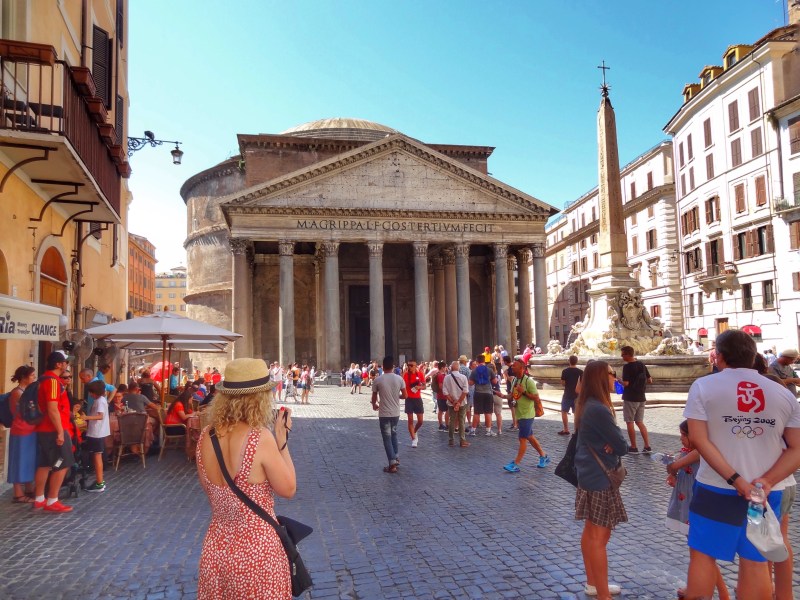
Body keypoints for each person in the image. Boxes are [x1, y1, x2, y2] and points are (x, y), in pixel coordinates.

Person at [682, 329, 800, 600]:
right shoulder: (781, 393)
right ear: (753, 356)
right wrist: (767, 480)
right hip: (766, 493)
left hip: (716, 487)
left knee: (703, 556)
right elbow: (796, 447)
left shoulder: (703, 386)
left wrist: (736, 480)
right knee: (756, 560)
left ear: (719, 357)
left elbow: (699, 439)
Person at [196, 358, 295, 599]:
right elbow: (288, 488)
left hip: (216, 550)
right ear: (259, 398)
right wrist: (282, 441)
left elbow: (213, 493)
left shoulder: (204, 438)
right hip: (257, 553)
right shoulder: (259, 438)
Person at [573, 360, 628, 599]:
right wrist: (615, 444)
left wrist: (612, 443)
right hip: (599, 475)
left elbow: (614, 443)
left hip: (589, 472)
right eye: (611, 374)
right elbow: (622, 445)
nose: (614, 377)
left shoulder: (587, 404)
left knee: (592, 532)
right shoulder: (598, 408)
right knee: (599, 536)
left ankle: (594, 584)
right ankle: (602, 594)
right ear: (599, 379)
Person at [664, 420, 730, 600]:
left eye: (685, 435)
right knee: (697, 550)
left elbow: (694, 456)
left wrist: (675, 466)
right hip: (687, 504)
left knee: (701, 552)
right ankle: (696, 585)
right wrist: (673, 473)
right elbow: (681, 467)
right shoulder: (687, 452)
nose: (681, 438)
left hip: (696, 506)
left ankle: (722, 593)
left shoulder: (701, 451)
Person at [32, 351, 75, 513]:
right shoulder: (53, 382)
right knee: (63, 462)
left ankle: (39, 498)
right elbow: (52, 409)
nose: (66, 365)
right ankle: (52, 499)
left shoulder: (44, 379)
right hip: (53, 429)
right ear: (59, 364)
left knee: (45, 464)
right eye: (65, 363)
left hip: (44, 429)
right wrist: (59, 432)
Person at [503, 358, 549, 472]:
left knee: (522, 439)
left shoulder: (529, 381)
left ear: (521, 368)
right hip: (520, 414)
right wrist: (503, 396)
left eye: (514, 366)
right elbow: (511, 395)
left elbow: (536, 397)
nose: (512, 367)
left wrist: (523, 391)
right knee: (529, 437)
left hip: (527, 415)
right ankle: (544, 456)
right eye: (512, 365)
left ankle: (516, 464)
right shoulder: (514, 380)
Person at [371, 356, 407, 473]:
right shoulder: (399, 379)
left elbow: (374, 398)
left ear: (383, 366)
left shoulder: (378, 380)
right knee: (394, 435)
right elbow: (405, 396)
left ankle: (392, 463)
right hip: (396, 412)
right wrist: (397, 396)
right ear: (393, 366)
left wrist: (374, 405)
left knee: (387, 438)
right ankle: (396, 457)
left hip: (384, 413)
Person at [6, 365, 37, 503]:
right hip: (21, 430)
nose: (34, 378)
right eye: (32, 376)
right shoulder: (17, 393)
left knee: (28, 459)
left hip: (30, 429)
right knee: (19, 459)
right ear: (24, 377)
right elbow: (22, 412)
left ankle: (29, 488)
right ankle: (18, 493)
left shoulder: (27, 391)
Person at [618, 346, 653, 454]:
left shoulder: (627, 367)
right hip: (641, 397)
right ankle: (647, 446)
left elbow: (626, 383)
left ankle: (633, 447)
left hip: (630, 397)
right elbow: (650, 380)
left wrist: (618, 380)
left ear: (628, 354)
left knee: (629, 422)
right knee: (640, 422)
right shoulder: (642, 364)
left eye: (623, 354)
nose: (621, 356)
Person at [82, 380, 110, 493]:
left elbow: (100, 416)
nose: (90, 394)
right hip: (98, 432)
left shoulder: (99, 401)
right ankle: (99, 481)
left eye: (91, 392)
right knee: (96, 456)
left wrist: (86, 418)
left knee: (97, 457)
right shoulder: (101, 400)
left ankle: (99, 482)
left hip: (96, 433)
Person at [442, 361, 470, 448]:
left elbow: (445, 392)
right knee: (461, 421)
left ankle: (451, 440)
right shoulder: (463, 377)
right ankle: (462, 440)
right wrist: (458, 402)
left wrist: (453, 402)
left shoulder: (446, 378)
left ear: (451, 368)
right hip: (462, 402)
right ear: (458, 368)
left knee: (452, 421)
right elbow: (465, 391)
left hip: (451, 403)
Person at [469, 355, 495, 436]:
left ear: (477, 361)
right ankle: (488, 431)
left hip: (478, 393)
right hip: (488, 393)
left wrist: (477, 381)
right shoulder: (489, 370)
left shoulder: (474, 370)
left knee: (476, 412)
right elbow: (494, 382)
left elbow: (470, 383)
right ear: (484, 361)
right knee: (488, 412)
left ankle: (473, 431)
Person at [402, 360, 425, 447]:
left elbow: (424, 385)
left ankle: (414, 431)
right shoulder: (405, 374)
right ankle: (413, 439)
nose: (410, 366)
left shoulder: (420, 374)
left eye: (412, 365)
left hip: (417, 398)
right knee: (410, 420)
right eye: (409, 365)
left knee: (420, 421)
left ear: (416, 366)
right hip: (409, 399)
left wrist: (419, 387)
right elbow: (401, 385)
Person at [560, 355, 583, 436]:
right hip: (577, 395)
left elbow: (563, 383)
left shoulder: (565, 371)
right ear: (576, 362)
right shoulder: (580, 372)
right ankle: (576, 430)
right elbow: (582, 384)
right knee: (576, 413)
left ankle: (566, 429)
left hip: (567, 394)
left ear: (569, 361)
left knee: (564, 411)